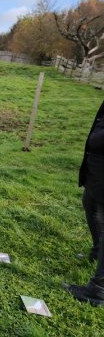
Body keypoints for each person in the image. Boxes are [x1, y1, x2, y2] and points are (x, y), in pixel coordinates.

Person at [67, 100, 104, 306]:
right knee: (90, 204)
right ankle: (97, 251)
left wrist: (98, 139)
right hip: (97, 167)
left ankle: (99, 288)